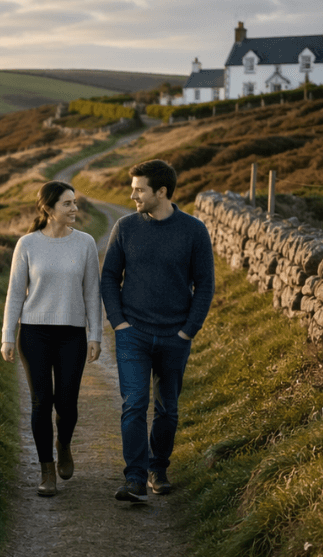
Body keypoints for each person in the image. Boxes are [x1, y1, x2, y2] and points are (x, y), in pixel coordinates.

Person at [100, 159, 214, 503]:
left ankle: (158, 469)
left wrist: (187, 331)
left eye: (139, 189)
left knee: (168, 409)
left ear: (161, 192)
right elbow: (109, 277)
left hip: (174, 336)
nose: (132, 195)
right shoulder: (125, 227)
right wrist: (118, 322)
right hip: (132, 333)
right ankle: (134, 478)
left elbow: (205, 285)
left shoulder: (194, 230)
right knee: (134, 403)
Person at [1, 180, 102, 497]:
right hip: (34, 333)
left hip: (72, 333)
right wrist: (7, 336)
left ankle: (64, 443)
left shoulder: (85, 243)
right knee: (41, 402)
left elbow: (92, 293)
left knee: (67, 405)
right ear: (48, 209)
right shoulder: (27, 244)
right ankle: (47, 470)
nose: (75, 209)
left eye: (75, 202)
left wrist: (95, 334)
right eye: (68, 204)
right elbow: (15, 294)